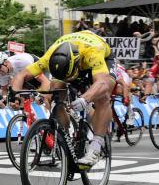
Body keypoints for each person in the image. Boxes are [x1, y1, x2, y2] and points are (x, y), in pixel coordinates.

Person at [10, 30, 116, 167]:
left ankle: (96, 146)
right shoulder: (49, 56)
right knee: (55, 89)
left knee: (102, 96)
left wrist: (85, 99)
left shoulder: (94, 52)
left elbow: (101, 82)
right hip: (69, 59)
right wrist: (16, 95)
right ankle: (65, 137)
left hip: (100, 58)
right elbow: (21, 76)